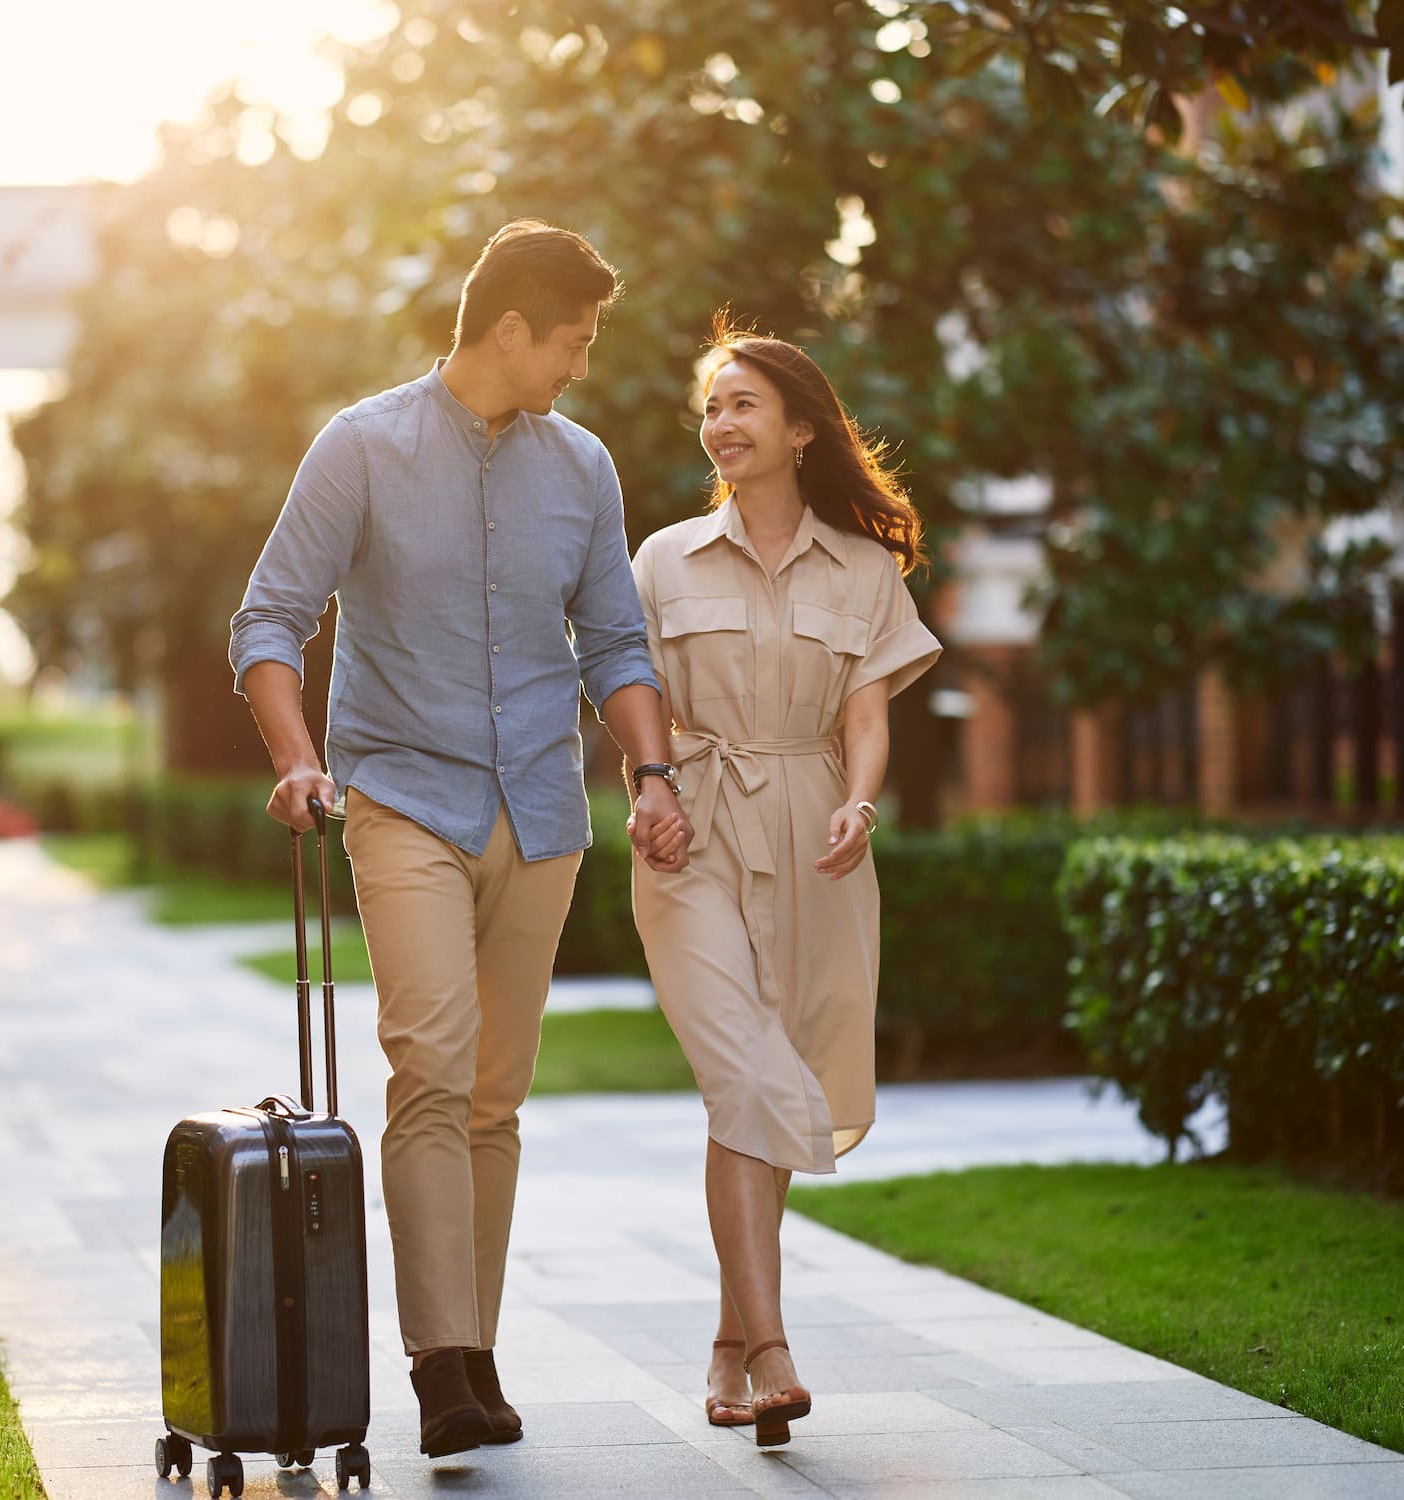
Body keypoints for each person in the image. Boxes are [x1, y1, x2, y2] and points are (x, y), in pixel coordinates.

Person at [229, 220, 694, 1461]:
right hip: (402, 799)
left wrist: (650, 771)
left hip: (540, 810)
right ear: (509, 330)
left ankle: (475, 1356)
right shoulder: (361, 447)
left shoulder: (581, 468)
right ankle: (442, 1365)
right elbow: (270, 618)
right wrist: (297, 761)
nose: (581, 366)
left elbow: (613, 643)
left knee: (495, 1097)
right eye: (574, 341)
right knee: (430, 1061)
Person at [628, 321, 941, 1448]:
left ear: (799, 427)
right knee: (741, 1065)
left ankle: (724, 1342)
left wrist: (860, 802)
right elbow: (638, 699)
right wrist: (648, 785)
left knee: (766, 1080)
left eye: (745, 402)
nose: (722, 422)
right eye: (712, 404)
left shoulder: (862, 570)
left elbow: (866, 714)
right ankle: (771, 1348)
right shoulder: (660, 559)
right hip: (688, 832)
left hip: (815, 832)